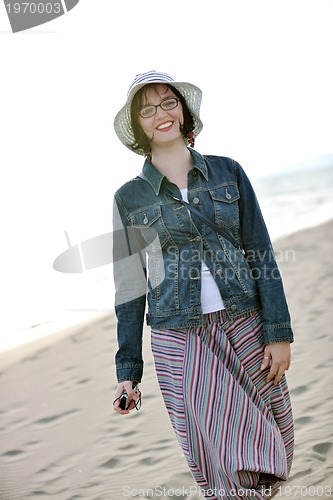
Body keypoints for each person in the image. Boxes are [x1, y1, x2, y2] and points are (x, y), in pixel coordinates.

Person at [112, 70, 294, 499]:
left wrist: (278, 331)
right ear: (139, 125)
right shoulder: (130, 198)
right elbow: (129, 285)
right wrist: (128, 371)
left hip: (244, 321)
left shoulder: (228, 172)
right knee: (217, 441)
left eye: (168, 102)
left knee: (273, 430)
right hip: (179, 335)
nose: (161, 113)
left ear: (184, 109)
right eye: (148, 109)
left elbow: (260, 252)